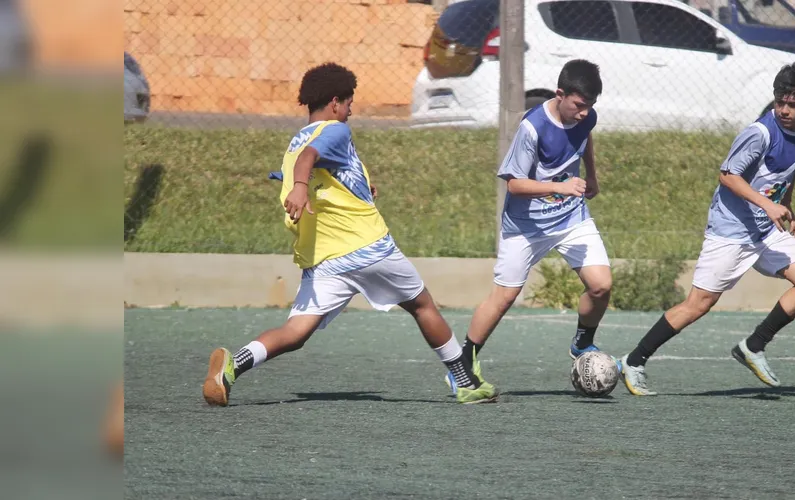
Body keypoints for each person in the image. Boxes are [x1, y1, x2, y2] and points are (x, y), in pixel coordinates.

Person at [202, 62, 497, 406]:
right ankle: (465, 381)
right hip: (367, 247)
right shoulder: (334, 131)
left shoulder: (294, 143)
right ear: (334, 102)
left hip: (325, 259)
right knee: (421, 305)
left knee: (295, 333)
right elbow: (311, 160)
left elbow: (317, 167)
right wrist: (299, 186)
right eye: (348, 102)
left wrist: (356, 184)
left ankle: (232, 368)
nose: (351, 110)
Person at [618, 63, 795, 395]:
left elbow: (789, 169)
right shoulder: (759, 133)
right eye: (779, 103)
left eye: (793, 104)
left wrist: (788, 204)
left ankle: (753, 346)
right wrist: (767, 204)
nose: (785, 110)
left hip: (766, 229)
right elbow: (728, 176)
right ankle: (634, 360)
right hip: (731, 230)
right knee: (699, 304)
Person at [446, 59, 613, 393]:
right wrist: (561, 186)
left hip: (570, 218)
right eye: (579, 105)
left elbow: (585, 138)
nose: (584, 113)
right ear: (560, 94)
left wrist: (592, 175)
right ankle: (462, 364)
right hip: (526, 225)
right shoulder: (532, 127)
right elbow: (514, 185)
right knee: (504, 296)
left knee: (601, 286)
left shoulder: (586, 116)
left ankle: (582, 345)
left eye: (590, 106)